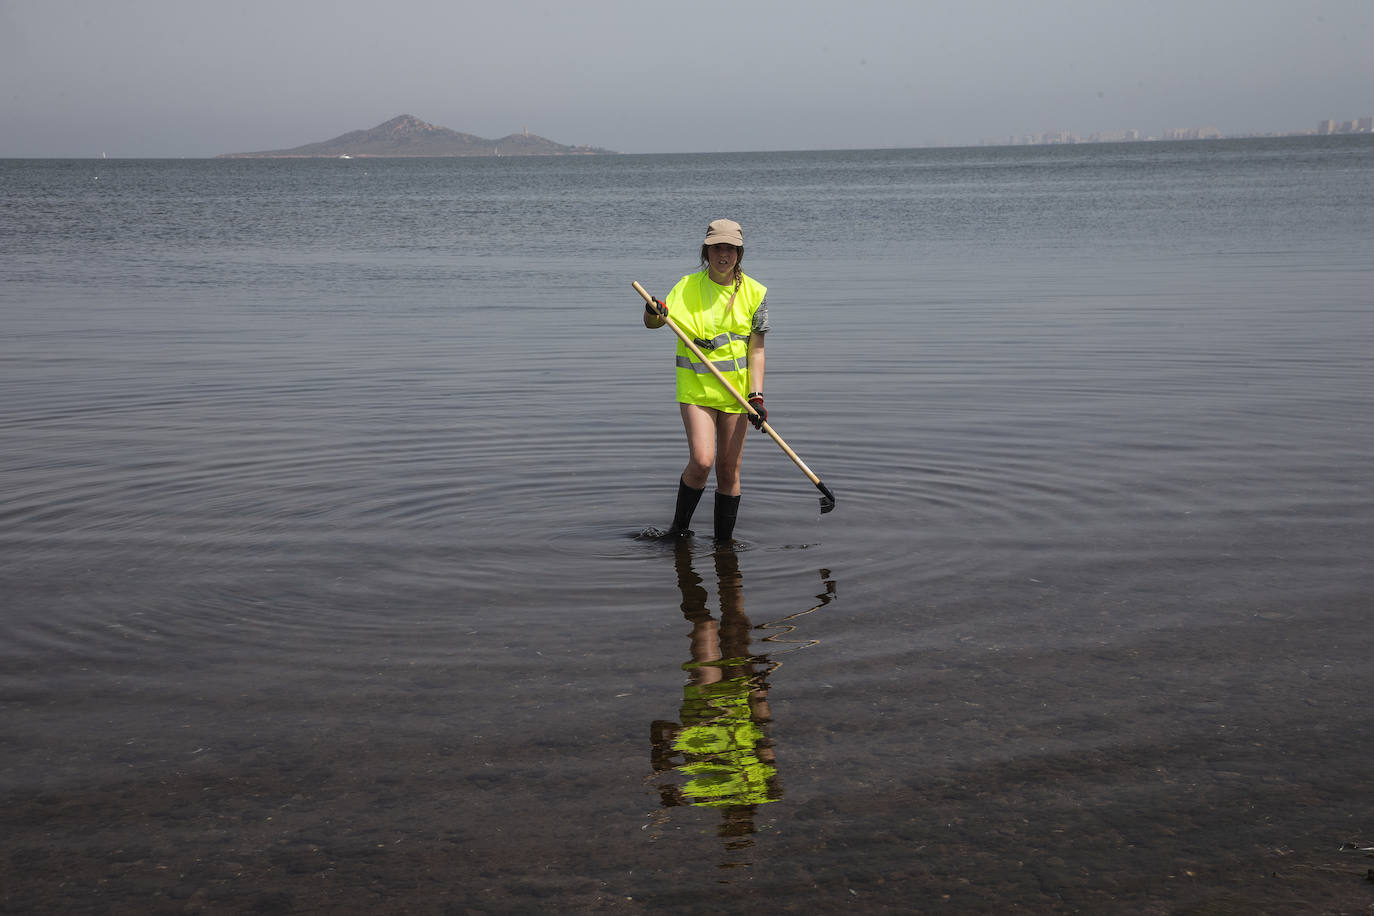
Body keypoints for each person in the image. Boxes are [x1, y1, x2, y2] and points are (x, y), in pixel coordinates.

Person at [643, 218, 770, 543]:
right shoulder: (687, 286)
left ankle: (723, 547)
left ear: (739, 253)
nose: (723, 254)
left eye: (730, 248)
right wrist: (652, 311)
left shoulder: (756, 293)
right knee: (702, 461)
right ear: (707, 251)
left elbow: (756, 350)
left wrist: (756, 396)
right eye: (717, 248)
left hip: (736, 394)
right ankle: (678, 532)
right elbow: (654, 323)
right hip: (697, 389)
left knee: (729, 471)